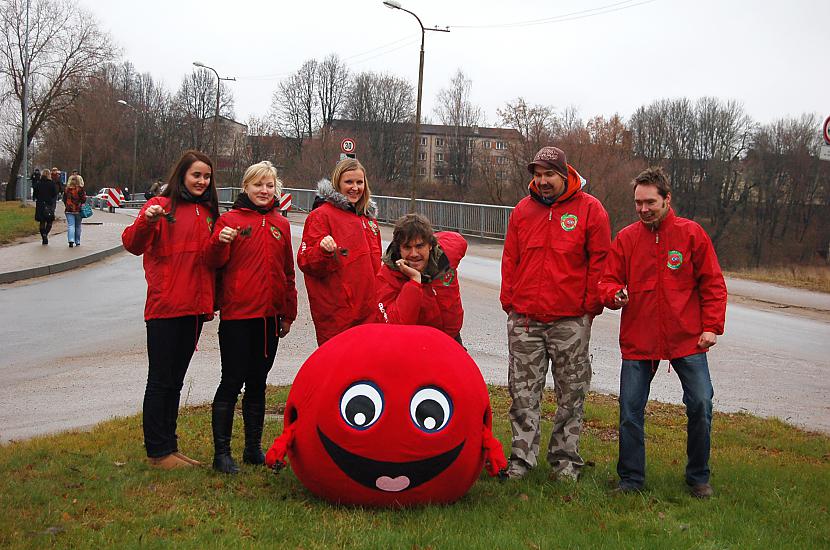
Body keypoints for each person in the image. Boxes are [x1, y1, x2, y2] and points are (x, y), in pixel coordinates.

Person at [599, 167, 727, 498]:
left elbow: (712, 283)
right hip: (639, 340)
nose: (643, 209)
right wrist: (614, 294)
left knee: (701, 403)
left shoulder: (691, 234)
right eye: (638, 203)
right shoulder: (626, 238)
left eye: (650, 202)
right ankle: (630, 480)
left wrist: (712, 326)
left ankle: (698, 477)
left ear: (667, 199)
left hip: (687, 338)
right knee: (630, 409)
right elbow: (607, 280)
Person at [500, 146, 611, 481]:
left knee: (571, 394)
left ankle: (564, 462)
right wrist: (511, 302)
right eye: (538, 174)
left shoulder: (591, 210)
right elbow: (511, 259)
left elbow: (601, 263)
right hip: (526, 321)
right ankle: (521, 460)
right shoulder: (522, 210)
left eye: (549, 174)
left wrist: (589, 307)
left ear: (564, 174)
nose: (543, 181)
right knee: (522, 393)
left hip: (569, 321)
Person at [122, 150, 219, 470]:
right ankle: (157, 451)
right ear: (182, 175)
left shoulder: (207, 212)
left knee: (176, 381)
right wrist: (146, 223)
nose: (202, 182)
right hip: (166, 308)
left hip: (194, 309)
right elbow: (132, 244)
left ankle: (169, 447)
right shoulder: (159, 207)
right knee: (161, 380)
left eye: (206, 177)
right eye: (196, 175)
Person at [205, 161, 297, 474]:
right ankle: (222, 454)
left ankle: (252, 449)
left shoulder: (280, 224)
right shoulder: (229, 220)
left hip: (269, 319)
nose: (264, 190)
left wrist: (288, 312)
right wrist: (221, 242)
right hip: (237, 317)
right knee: (231, 382)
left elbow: (288, 272)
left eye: (269, 185)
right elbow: (213, 263)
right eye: (258, 184)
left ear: (277, 190)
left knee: (258, 383)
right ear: (246, 187)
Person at [297, 158, 382, 345]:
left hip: (370, 314)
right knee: (341, 371)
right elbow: (306, 262)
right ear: (337, 183)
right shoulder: (321, 216)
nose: (355, 187)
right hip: (339, 317)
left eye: (359, 182)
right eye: (349, 182)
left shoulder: (369, 220)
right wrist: (322, 251)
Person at [375, 213, 467, 344]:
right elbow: (393, 325)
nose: (414, 254)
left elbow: (459, 241)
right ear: (399, 249)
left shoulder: (445, 257)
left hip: (451, 340)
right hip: (415, 345)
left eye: (419, 246)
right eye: (407, 247)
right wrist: (414, 281)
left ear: (430, 245)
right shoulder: (388, 275)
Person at [33, 168, 57, 245]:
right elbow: (54, 194)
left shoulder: (38, 183)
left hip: (40, 204)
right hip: (48, 204)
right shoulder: (51, 183)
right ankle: (45, 234)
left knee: (42, 221)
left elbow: (35, 194)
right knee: (49, 221)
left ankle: (43, 236)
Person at [62, 173, 87, 248]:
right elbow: (83, 199)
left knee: (71, 225)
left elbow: (64, 199)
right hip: (78, 210)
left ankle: (71, 240)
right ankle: (78, 241)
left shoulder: (67, 190)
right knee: (78, 226)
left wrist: (67, 205)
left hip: (69, 209)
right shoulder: (80, 189)